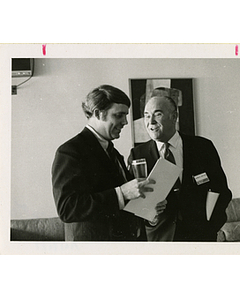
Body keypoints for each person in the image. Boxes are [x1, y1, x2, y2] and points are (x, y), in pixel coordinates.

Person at [52, 84, 166, 241]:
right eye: (119, 115)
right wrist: (122, 192)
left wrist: (148, 211)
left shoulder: (112, 152)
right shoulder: (70, 152)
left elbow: (123, 204)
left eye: (125, 115)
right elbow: (67, 209)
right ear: (99, 114)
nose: (125, 122)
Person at [128, 91, 232, 241]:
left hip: (200, 238)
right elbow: (134, 204)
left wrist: (212, 226)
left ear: (174, 117)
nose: (150, 122)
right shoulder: (138, 154)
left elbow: (222, 191)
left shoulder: (203, 147)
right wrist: (150, 217)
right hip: (160, 239)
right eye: (146, 115)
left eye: (157, 114)